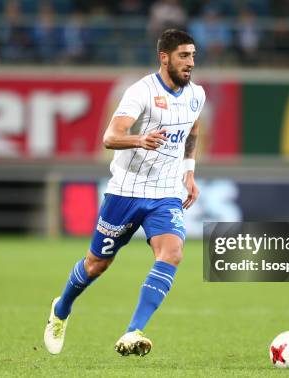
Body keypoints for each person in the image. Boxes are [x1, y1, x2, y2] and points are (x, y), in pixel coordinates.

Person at [44, 29, 205, 357]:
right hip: (125, 191)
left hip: (165, 193)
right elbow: (110, 136)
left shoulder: (196, 95)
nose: (190, 63)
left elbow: (193, 130)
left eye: (192, 56)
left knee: (172, 253)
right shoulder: (141, 92)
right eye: (183, 56)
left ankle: (134, 331)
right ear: (164, 57)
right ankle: (61, 310)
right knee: (96, 265)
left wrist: (189, 172)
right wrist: (139, 139)